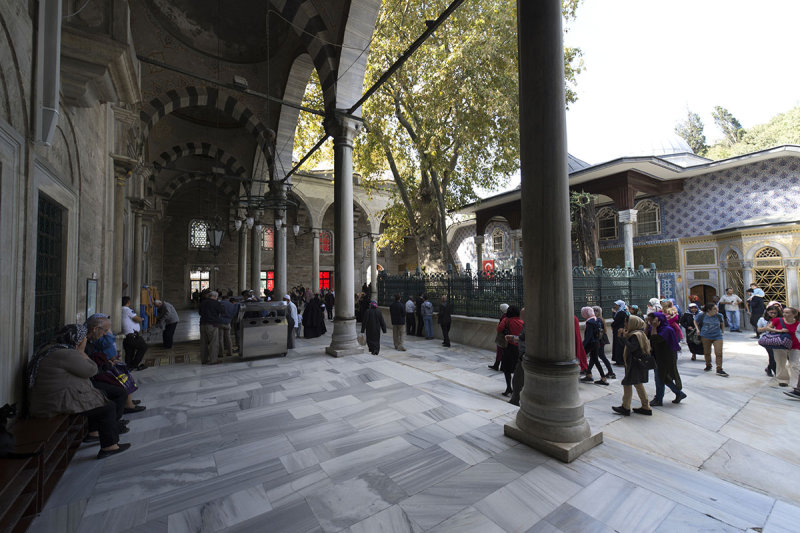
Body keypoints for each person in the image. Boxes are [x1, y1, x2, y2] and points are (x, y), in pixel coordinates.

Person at [27, 324, 131, 459]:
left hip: (48, 398)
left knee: (97, 398)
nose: (85, 340)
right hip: (55, 402)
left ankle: (95, 432)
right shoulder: (66, 354)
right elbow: (91, 370)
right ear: (78, 340)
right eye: (83, 339)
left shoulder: (52, 349)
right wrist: (82, 352)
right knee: (107, 407)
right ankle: (110, 446)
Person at [611, 315, 652, 416]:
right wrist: (621, 337)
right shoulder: (635, 334)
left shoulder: (636, 335)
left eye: (626, 322)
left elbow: (632, 348)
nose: (625, 325)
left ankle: (626, 407)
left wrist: (624, 338)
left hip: (634, 364)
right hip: (633, 363)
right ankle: (645, 407)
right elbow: (626, 347)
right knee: (636, 384)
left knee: (629, 383)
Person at [648, 312, 686, 406]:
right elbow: (647, 336)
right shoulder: (655, 328)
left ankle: (659, 399)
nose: (650, 322)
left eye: (652, 320)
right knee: (664, 378)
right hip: (657, 355)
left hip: (666, 357)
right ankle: (679, 393)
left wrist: (653, 327)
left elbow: (655, 338)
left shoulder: (667, 329)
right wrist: (648, 325)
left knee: (660, 377)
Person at [766, 306, 800, 389]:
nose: (785, 314)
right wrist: (779, 331)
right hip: (780, 344)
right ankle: (783, 380)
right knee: (781, 363)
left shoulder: (798, 323)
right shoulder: (778, 320)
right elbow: (768, 327)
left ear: (794, 314)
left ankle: (796, 384)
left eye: (787, 312)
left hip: (795, 345)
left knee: (794, 365)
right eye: (784, 312)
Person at [695, 303, 728, 377]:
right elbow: (695, 321)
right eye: (714, 309)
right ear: (709, 310)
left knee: (719, 352)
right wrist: (697, 330)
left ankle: (719, 368)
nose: (717, 310)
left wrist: (722, 332)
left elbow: (722, 323)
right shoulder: (702, 315)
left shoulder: (719, 316)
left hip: (717, 336)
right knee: (707, 352)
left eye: (717, 308)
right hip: (705, 336)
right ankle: (708, 365)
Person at [498, 305, 524, 396]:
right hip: (519, 348)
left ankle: (509, 388)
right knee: (518, 369)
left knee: (507, 369)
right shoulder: (522, 322)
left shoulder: (506, 320)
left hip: (509, 347)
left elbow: (499, 329)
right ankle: (518, 389)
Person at [582, 307, 609, 386]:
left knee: (581, 357)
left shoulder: (590, 322)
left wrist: (582, 346)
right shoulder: (596, 319)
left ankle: (589, 375)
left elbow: (588, 336)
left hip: (591, 343)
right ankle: (602, 378)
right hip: (597, 343)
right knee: (595, 360)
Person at [121, 296, 148, 370]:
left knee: (130, 351)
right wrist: (141, 319)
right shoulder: (127, 310)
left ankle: (128, 366)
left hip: (126, 335)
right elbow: (136, 318)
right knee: (143, 347)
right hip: (132, 335)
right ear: (128, 302)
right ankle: (134, 365)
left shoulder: (120, 310)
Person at [199, 291, 225, 364]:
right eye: (216, 297)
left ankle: (204, 360)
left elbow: (200, 313)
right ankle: (213, 360)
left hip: (202, 324)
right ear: (215, 296)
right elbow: (222, 311)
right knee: (213, 342)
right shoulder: (216, 303)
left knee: (203, 343)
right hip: (212, 324)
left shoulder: (203, 302)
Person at [508, 308, 526, 406]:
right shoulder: (526, 324)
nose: (520, 317)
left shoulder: (529, 325)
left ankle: (515, 400)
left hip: (525, 355)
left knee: (518, 380)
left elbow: (526, 339)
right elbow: (523, 338)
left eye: (522, 315)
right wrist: (513, 338)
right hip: (523, 354)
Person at [757, 305, 780, 377]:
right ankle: (777, 374)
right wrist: (767, 328)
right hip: (767, 339)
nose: (773, 314)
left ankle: (769, 368)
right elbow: (759, 330)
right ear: (767, 312)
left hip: (778, 339)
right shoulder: (762, 319)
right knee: (772, 356)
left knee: (777, 357)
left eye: (775, 313)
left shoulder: (780, 319)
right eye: (771, 313)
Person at [592, 306, 616, 379]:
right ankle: (588, 371)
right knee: (596, 356)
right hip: (601, 340)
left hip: (600, 340)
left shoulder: (598, 320)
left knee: (600, 356)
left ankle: (611, 372)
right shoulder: (601, 319)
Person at [489, 303, 509, 371]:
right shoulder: (510, 315)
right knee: (504, 352)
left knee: (500, 351)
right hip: (507, 336)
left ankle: (496, 365)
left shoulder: (504, 316)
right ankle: (502, 366)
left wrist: (498, 326)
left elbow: (501, 327)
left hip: (502, 336)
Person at [218, 293, 238, 358]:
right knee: (228, 338)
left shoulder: (220, 303)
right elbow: (234, 313)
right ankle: (230, 352)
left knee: (220, 338)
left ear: (222, 298)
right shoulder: (232, 305)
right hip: (228, 322)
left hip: (220, 322)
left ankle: (221, 353)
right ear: (228, 299)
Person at [610, 301, 628, 366]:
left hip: (619, 331)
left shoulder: (621, 313)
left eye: (617, 305)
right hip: (617, 331)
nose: (616, 306)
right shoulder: (620, 312)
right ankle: (618, 360)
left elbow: (616, 321)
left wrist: (612, 324)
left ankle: (620, 360)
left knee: (619, 346)